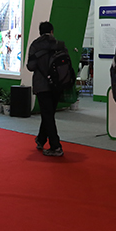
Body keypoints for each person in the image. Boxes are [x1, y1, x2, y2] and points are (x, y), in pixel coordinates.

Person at [27, 21, 65, 156]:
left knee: (47, 114)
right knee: (48, 113)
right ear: (52, 31)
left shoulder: (35, 45)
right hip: (57, 85)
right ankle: (41, 139)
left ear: (40, 32)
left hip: (42, 84)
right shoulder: (59, 45)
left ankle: (56, 146)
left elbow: (31, 66)